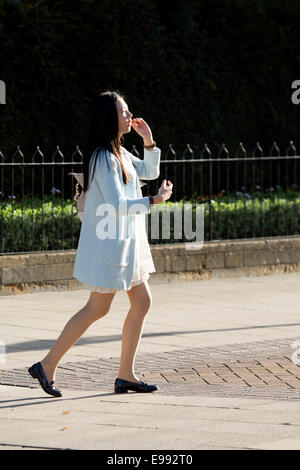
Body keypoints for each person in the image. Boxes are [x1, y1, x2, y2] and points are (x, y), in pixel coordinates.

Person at [28, 90, 173, 397]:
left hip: (126, 245)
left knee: (140, 302)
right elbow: (118, 204)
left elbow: (149, 171)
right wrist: (154, 199)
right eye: (123, 112)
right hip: (112, 247)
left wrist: (148, 140)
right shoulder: (103, 157)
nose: (129, 116)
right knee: (97, 307)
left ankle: (125, 375)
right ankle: (48, 364)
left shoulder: (119, 152)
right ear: (109, 117)